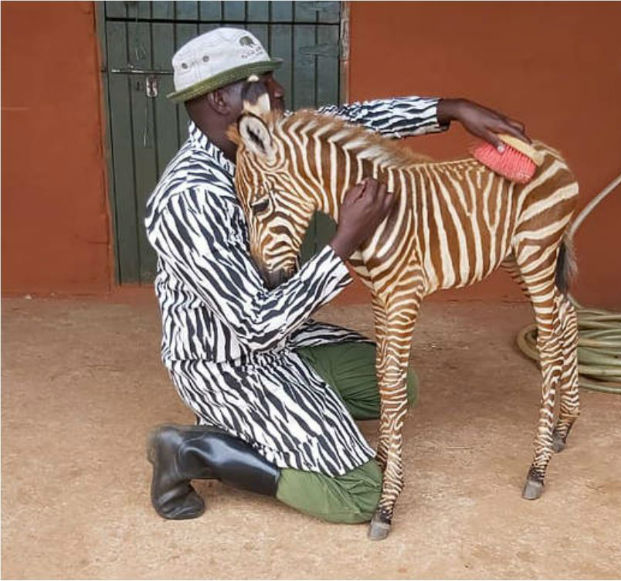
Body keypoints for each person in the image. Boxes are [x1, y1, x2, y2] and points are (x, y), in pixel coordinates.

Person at [145, 27, 529, 524]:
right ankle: (194, 452)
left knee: (397, 386)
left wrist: (451, 110)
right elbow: (257, 323)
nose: (278, 90)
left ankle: (263, 420)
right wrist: (344, 241)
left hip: (286, 343)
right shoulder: (189, 197)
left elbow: (350, 121)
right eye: (260, 82)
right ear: (221, 99)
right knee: (360, 493)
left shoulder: (269, 138)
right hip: (227, 360)